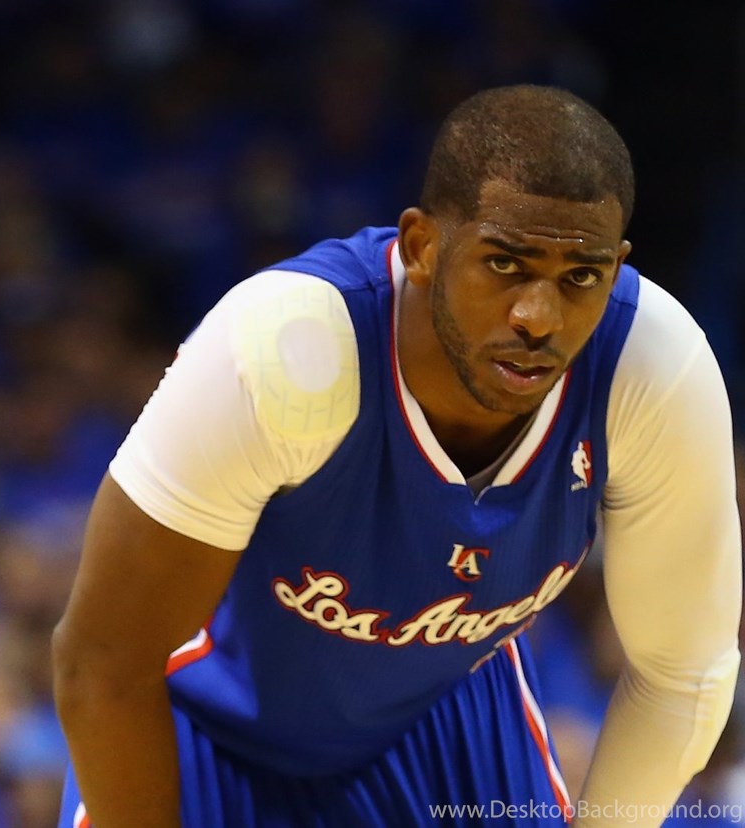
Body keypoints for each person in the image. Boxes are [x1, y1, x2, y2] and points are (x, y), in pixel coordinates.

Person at [51, 85, 742, 827]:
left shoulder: (653, 369)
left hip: (442, 717)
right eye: (505, 264)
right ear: (421, 248)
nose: (538, 317)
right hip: (209, 725)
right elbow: (102, 661)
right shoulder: (287, 352)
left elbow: (683, 675)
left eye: (581, 277)